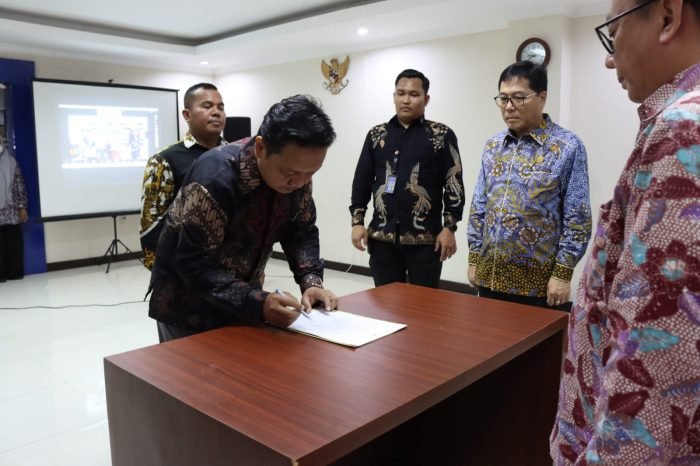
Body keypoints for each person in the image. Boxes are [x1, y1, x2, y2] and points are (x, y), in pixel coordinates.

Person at [551, 0, 700, 463]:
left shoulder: (685, 131)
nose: (609, 57)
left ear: (667, 16)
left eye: (612, 32)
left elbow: (660, 352)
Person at [148, 95, 338, 342]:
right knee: (191, 378)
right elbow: (193, 264)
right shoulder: (214, 179)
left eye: (311, 173)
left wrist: (311, 282)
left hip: (244, 299)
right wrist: (257, 302)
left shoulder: (297, 177)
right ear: (260, 148)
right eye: (290, 173)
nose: (300, 183)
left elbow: (301, 231)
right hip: (187, 306)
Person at [467, 61, 592, 309]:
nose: (509, 107)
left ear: (542, 98)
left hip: (538, 284)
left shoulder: (567, 146)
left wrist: (563, 273)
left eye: (518, 98)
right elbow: (480, 204)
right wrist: (473, 257)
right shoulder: (493, 145)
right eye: (503, 99)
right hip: (489, 276)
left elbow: (577, 215)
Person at [349, 69, 465, 288]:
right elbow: (362, 180)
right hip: (382, 238)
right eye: (400, 93)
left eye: (413, 94)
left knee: (423, 305)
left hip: (426, 240)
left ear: (426, 99)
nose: (406, 99)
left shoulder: (441, 135)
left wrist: (450, 227)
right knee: (384, 304)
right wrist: (357, 222)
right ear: (394, 96)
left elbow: (453, 181)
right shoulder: (376, 135)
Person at [140, 82, 226, 270]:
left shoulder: (237, 155)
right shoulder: (164, 160)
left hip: (231, 268)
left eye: (221, 107)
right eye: (207, 106)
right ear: (187, 114)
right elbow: (151, 226)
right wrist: (165, 273)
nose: (216, 112)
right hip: (184, 271)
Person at [0, 137, 28, 282]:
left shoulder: (11, 162)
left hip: (10, 210)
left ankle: (14, 273)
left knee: (13, 244)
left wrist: (22, 207)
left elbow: (19, 185)